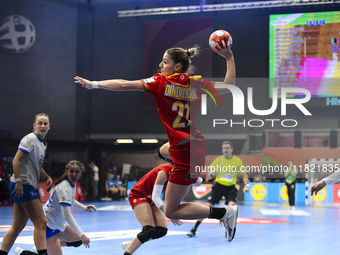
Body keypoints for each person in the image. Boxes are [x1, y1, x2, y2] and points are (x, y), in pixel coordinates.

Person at [75, 42, 239, 241]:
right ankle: (186, 172)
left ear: (176, 67)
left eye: (164, 62)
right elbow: (229, 86)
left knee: (172, 211)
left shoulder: (160, 82)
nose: (160, 65)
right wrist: (229, 58)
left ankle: (223, 214)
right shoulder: (195, 83)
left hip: (186, 154)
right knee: (162, 150)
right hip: (193, 144)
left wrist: (93, 84)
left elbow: (124, 85)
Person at [14, 160, 97, 255]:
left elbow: (70, 199)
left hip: (57, 225)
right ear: (66, 172)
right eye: (71, 171)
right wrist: (82, 234)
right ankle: (22, 252)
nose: (74, 174)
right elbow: (67, 215)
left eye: (77, 172)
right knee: (80, 238)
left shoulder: (71, 184)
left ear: (81, 173)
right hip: (48, 226)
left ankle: (46, 247)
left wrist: (83, 207)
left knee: (77, 241)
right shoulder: (64, 188)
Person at [0, 113, 53, 255]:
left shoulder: (42, 144)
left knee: (17, 226)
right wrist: (18, 182)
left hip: (26, 186)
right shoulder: (30, 139)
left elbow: (38, 167)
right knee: (41, 222)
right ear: (34, 125)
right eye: (40, 123)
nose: (42, 126)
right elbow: (16, 161)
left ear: (49, 127)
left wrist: (47, 177)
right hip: (23, 186)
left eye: (45, 124)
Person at [187, 141, 249, 237]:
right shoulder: (218, 160)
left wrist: (246, 185)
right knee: (206, 208)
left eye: (227, 148)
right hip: (218, 187)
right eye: (224, 148)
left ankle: (228, 229)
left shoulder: (237, 161)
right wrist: (211, 174)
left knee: (232, 208)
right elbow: (209, 175)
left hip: (230, 188)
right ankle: (194, 229)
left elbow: (244, 174)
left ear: (231, 149)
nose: (225, 150)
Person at [121, 163, 181, 255]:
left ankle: (131, 243)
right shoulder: (164, 172)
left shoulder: (178, 172)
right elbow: (156, 197)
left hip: (150, 197)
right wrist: (169, 213)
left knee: (161, 230)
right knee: (148, 230)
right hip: (139, 194)